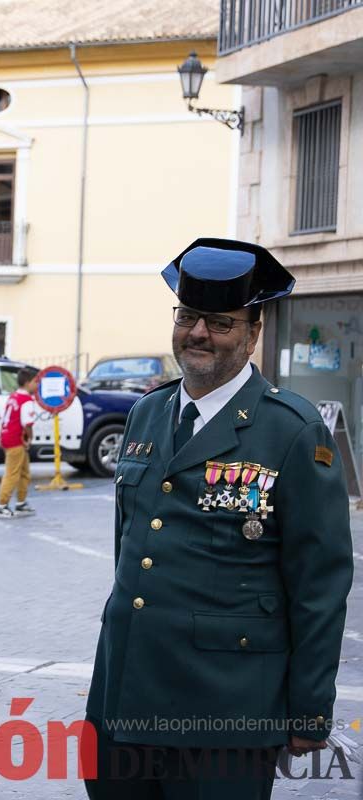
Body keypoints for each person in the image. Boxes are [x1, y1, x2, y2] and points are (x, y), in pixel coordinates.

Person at [84, 238, 354, 799]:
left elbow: (319, 582)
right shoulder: (146, 412)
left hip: (226, 707)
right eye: (188, 316)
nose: (198, 333)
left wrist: (308, 710)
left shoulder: (293, 430)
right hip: (126, 689)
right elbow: (130, 546)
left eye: (219, 322)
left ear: (253, 332)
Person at [0, 366, 38, 519]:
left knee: (24, 472)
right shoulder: (26, 400)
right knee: (12, 474)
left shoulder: (13, 396)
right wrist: (29, 438)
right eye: (35, 381)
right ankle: (2, 505)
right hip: (17, 440)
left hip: (8, 437)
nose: (37, 385)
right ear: (27, 383)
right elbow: (27, 424)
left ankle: (21, 503)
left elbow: (6, 418)